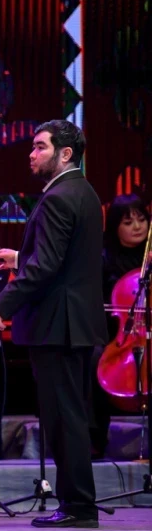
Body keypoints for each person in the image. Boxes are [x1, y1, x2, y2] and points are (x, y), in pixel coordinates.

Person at [0, 119, 107, 528]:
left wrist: (1, 304)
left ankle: (77, 507)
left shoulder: (58, 197)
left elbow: (46, 268)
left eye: (40, 146)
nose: (32, 154)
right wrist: (19, 257)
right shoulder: (83, 191)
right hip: (73, 323)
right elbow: (65, 260)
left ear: (65, 153)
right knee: (69, 416)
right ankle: (78, 504)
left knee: (63, 420)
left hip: (58, 324)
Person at [91, 194, 150, 456]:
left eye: (142, 220)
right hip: (114, 334)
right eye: (128, 222)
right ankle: (95, 438)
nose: (137, 227)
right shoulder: (103, 259)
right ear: (115, 227)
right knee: (92, 359)